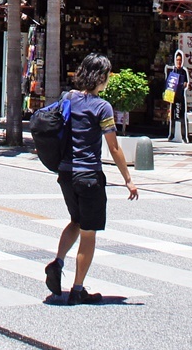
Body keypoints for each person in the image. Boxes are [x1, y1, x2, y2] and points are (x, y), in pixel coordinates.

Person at [45, 53, 138, 305]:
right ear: (101, 77)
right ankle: (77, 290)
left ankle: (58, 262)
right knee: (88, 233)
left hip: (66, 173)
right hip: (89, 176)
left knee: (75, 220)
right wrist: (128, 179)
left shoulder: (68, 99)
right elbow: (114, 147)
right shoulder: (102, 107)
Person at [164, 49, 190, 143]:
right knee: (173, 117)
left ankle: (184, 136)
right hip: (173, 97)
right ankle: (171, 135)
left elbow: (186, 82)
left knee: (182, 116)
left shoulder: (183, 71)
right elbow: (168, 83)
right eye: (177, 60)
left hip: (181, 96)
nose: (179, 62)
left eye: (180, 60)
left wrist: (185, 85)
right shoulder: (172, 70)